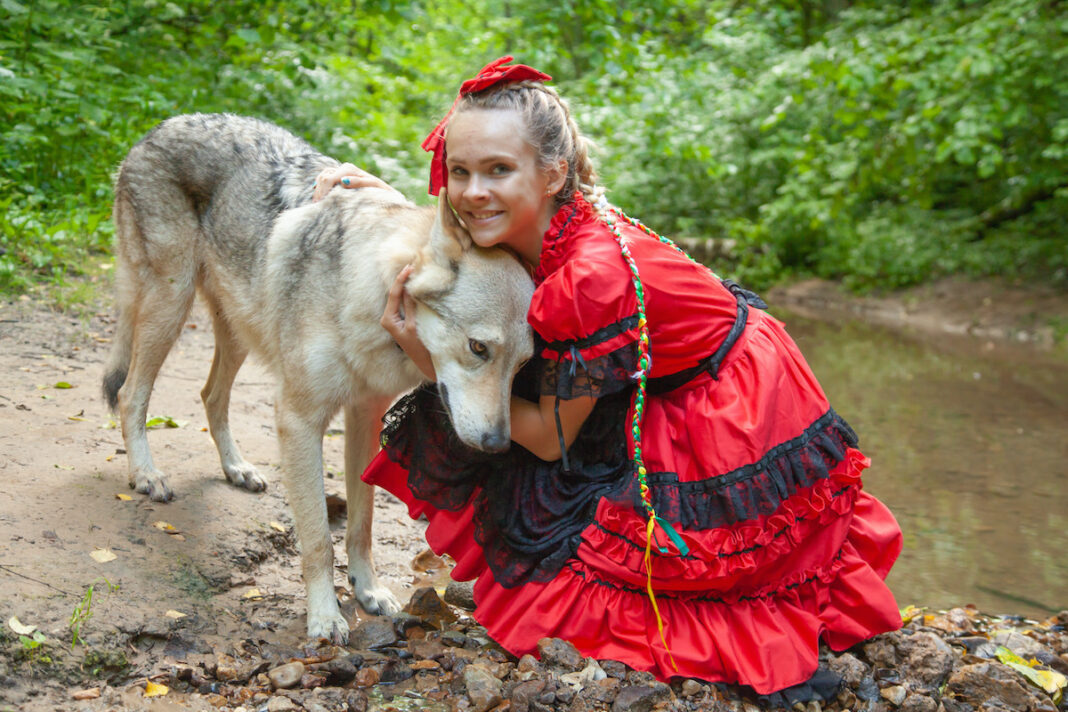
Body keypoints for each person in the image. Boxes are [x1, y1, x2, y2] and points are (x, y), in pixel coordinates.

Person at [317, 56, 902, 701]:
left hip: (730, 400)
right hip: (663, 369)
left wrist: (423, 358)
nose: (473, 191)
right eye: (460, 170)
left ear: (554, 173)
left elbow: (544, 439)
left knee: (601, 580)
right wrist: (369, 192)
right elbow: (446, 225)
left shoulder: (588, 279)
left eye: (498, 170)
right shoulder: (523, 221)